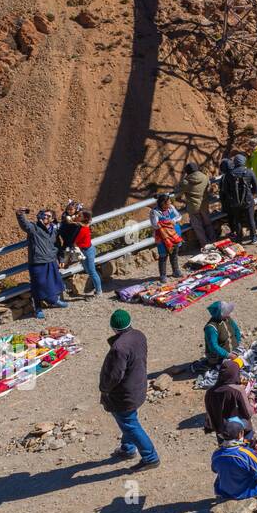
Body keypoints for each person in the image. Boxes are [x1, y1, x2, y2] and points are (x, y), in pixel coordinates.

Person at [99, 309, 159, 470]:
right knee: (128, 421)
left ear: (114, 328)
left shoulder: (119, 348)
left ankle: (150, 457)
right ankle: (128, 448)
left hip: (124, 394)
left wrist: (104, 389)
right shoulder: (139, 335)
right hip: (138, 386)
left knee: (130, 423)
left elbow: (114, 375)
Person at [16, 207, 66, 318]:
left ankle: (54, 301)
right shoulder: (34, 228)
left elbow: (57, 245)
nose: (45, 217)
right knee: (37, 286)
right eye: (44, 214)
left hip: (51, 260)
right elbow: (24, 225)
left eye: (48, 216)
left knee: (53, 283)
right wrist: (20, 215)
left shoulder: (54, 230)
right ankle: (38, 308)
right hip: (37, 262)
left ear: (52, 219)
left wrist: (61, 259)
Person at [212, 417, 257, 501]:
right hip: (244, 493)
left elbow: (214, 469)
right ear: (240, 434)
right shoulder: (245, 454)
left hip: (225, 491)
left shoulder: (217, 453)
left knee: (223, 473)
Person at [203, 359, 256, 439]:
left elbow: (209, 413)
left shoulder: (209, 392)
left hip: (220, 431)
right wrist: (251, 399)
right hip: (239, 431)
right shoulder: (237, 390)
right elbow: (248, 413)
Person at [219, 156, 257, 245]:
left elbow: (225, 190)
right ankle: (254, 237)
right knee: (251, 219)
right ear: (244, 161)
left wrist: (231, 198)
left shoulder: (229, 174)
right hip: (248, 200)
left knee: (237, 220)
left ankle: (239, 238)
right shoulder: (249, 172)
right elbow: (256, 186)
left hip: (234, 202)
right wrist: (251, 194)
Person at [176, 161, 216, 246]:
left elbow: (177, 194)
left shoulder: (186, 182)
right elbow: (208, 188)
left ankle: (205, 244)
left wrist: (183, 200)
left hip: (193, 207)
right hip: (204, 205)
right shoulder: (205, 177)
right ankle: (213, 241)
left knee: (198, 227)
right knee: (208, 223)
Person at [150, 193, 184, 284]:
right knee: (163, 255)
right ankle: (163, 275)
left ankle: (176, 271)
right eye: (167, 203)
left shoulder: (171, 208)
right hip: (162, 237)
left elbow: (179, 216)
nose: (169, 205)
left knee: (174, 253)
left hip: (174, 234)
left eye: (169, 203)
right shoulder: (154, 212)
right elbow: (155, 225)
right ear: (162, 203)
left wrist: (173, 221)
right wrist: (167, 223)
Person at [69, 210, 102, 296]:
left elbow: (75, 242)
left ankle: (99, 291)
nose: (77, 216)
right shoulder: (83, 225)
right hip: (85, 250)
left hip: (87, 252)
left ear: (85, 218)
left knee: (91, 271)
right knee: (89, 270)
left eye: (79, 216)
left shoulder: (83, 229)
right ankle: (96, 284)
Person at [203, 299, 243, 369]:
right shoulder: (211, 328)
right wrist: (228, 355)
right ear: (219, 314)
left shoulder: (227, 318)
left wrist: (238, 342)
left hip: (233, 351)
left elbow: (236, 330)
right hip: (219, 357)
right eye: (225, 312)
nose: (228, 313)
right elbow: (213, 346)